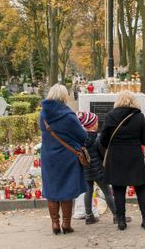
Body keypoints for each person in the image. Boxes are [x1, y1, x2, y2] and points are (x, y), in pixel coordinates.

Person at [100, 90, 145, 231]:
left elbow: (103, 140)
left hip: (116, 156)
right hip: (134, 155)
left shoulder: (110, 116)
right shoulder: (139, 117)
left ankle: (121, 221)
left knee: (118, 189)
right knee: (140, 187)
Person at [40, 84, 87, 234]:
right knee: (67, 189)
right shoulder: (68, 115)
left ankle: (55, 223)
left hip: (48, 156)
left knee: (52, 189)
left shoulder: (43, 114)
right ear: (64, 96)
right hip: (67, 156)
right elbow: (83, 136)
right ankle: (66, 224)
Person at [77, 111, 130, 225]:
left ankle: (89, 216)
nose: (97, 124)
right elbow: (102, 154)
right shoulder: (97, 137)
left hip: (85, 169)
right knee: (107, 192)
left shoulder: (81, 138)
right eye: (95, 122)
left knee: (88, 192)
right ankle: (116, 215)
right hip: (98, 170)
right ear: (92, 124)